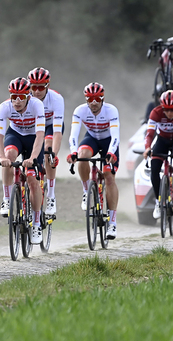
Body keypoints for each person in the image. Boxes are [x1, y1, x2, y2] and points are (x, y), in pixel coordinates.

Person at [0, 77, 45, 244]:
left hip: (33, 139)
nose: (17, 101)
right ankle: (7, 198)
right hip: (15, 135)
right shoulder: (4, 107)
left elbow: (40, 135)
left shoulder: (37, 105)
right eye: (13, 96)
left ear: (28, 96)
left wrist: (32, 158)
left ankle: (37, 222)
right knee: (9, 158)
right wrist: (1, 157)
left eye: (21, 97)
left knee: (32, 180)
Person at [67, 82, 120, 240]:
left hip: (109, 141)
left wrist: (111, 152)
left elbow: (116, 136)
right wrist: (73, 152)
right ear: (86, 99)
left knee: (109, 176)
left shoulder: (111, 110)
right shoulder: (80, 111)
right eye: (90, 99)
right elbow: (73, 135)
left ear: (102, 98)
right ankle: (86, 191)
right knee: (83, 156)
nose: (94, 102)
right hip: (92, 139)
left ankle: (112, 222)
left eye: (97, 98)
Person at [143, 90, 173, 219]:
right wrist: (147, 148)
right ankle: (158, 202)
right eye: (166, 109)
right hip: (162, 140)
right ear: (161, 107)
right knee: (154, 168)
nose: (169, 113)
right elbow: (149, 134)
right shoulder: (156, 113)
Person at [28, 67, 64, 215]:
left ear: (47, 86)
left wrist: (54, 154)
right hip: (34, 127)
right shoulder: (25, 98)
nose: (37, 91)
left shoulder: (56, 99)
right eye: (34, 87)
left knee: (48, 150)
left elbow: (57, 131)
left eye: (41, 87)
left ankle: (50, 195)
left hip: (50, 126)